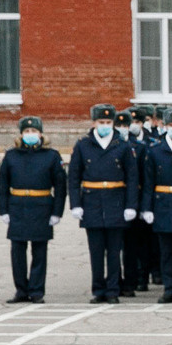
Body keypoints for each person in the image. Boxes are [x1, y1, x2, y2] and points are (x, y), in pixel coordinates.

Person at [72, 105, 139, 305]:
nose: (105, 126)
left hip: (115, 201)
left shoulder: (122, 145)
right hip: (92, 202)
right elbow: (74, 177)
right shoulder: (83, 145)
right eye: (101, 122)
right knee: (96, 251)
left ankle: (112, 290)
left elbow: (132, 178)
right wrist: (76, 204)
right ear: (94, 123)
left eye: (108, 122)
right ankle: (98, 289)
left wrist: (131, 205)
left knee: (114, 251)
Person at [0, 117, 67, 302]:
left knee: (39, 251)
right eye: (27, 131)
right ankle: (21, 290)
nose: (30, 134)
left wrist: (57, 212)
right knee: (17, 252)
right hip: (18, 207)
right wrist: (3, 210)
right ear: (21, 134)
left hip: (41, 207)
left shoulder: (51, 156)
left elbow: (60, 186)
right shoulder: (11, 155)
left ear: (41, 134)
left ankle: (36, 291)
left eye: (34, 131)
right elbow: (3, 186)